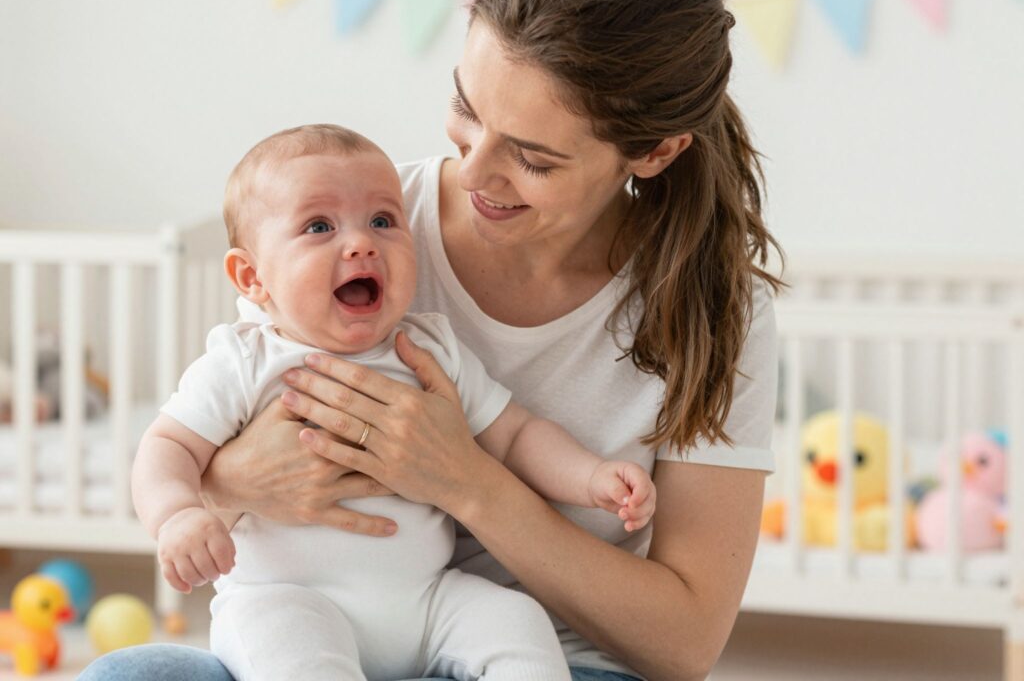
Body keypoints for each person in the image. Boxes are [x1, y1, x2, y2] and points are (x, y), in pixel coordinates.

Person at [79, 0, 782, 679]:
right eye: (467, 111)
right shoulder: (353, 222)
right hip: (308, 620)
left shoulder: (716, 309)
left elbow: (682, 645)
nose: (477, 173)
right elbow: (215, 434)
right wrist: (222, 488)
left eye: (533, 159)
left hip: (535, 651)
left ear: (654, 151)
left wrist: (466, 482)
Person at [130, 124, 657, 681]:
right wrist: (177, 516)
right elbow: (166, 445)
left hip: (427, 601)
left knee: (516, 623)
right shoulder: (244, 360)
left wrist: (590, 477)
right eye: (319, 226)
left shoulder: (428, 347)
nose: (361, 243)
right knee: (298, 661)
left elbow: (516, 434)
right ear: (252, 277)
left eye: (383, 221)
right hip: (289, 601)